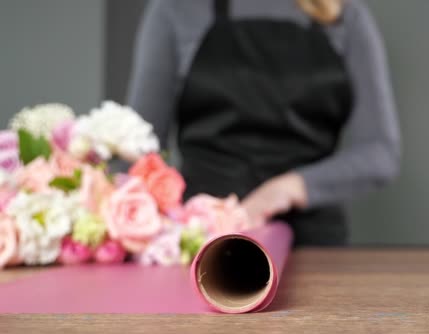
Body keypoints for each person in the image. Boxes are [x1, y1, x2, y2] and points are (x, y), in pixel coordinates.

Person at [127, 0, 400, 246]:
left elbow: (379, 153)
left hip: (314, 246)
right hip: (204, 240)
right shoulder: (177, 9)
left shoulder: (346, 16)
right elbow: (138, 152)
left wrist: (289, 189)